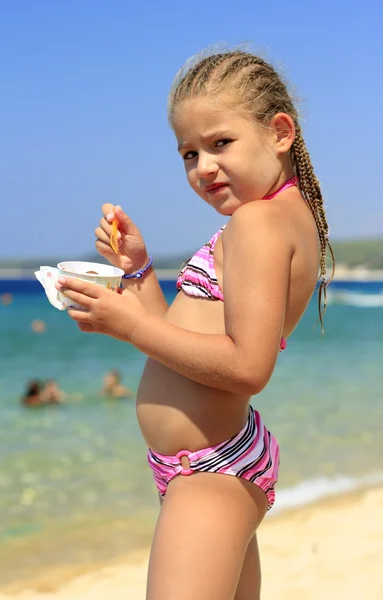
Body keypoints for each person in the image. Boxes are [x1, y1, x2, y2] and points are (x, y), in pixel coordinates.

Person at [55, 48, 334, 600]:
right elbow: (190, 346)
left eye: (219, 143)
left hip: (211, 472)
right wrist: (138, 272)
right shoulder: (276, 216)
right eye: (188, 153)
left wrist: (126, 326)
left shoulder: (256, 223)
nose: (202, 166)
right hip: (212, 465)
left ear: (280, 132)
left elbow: (248, 367)